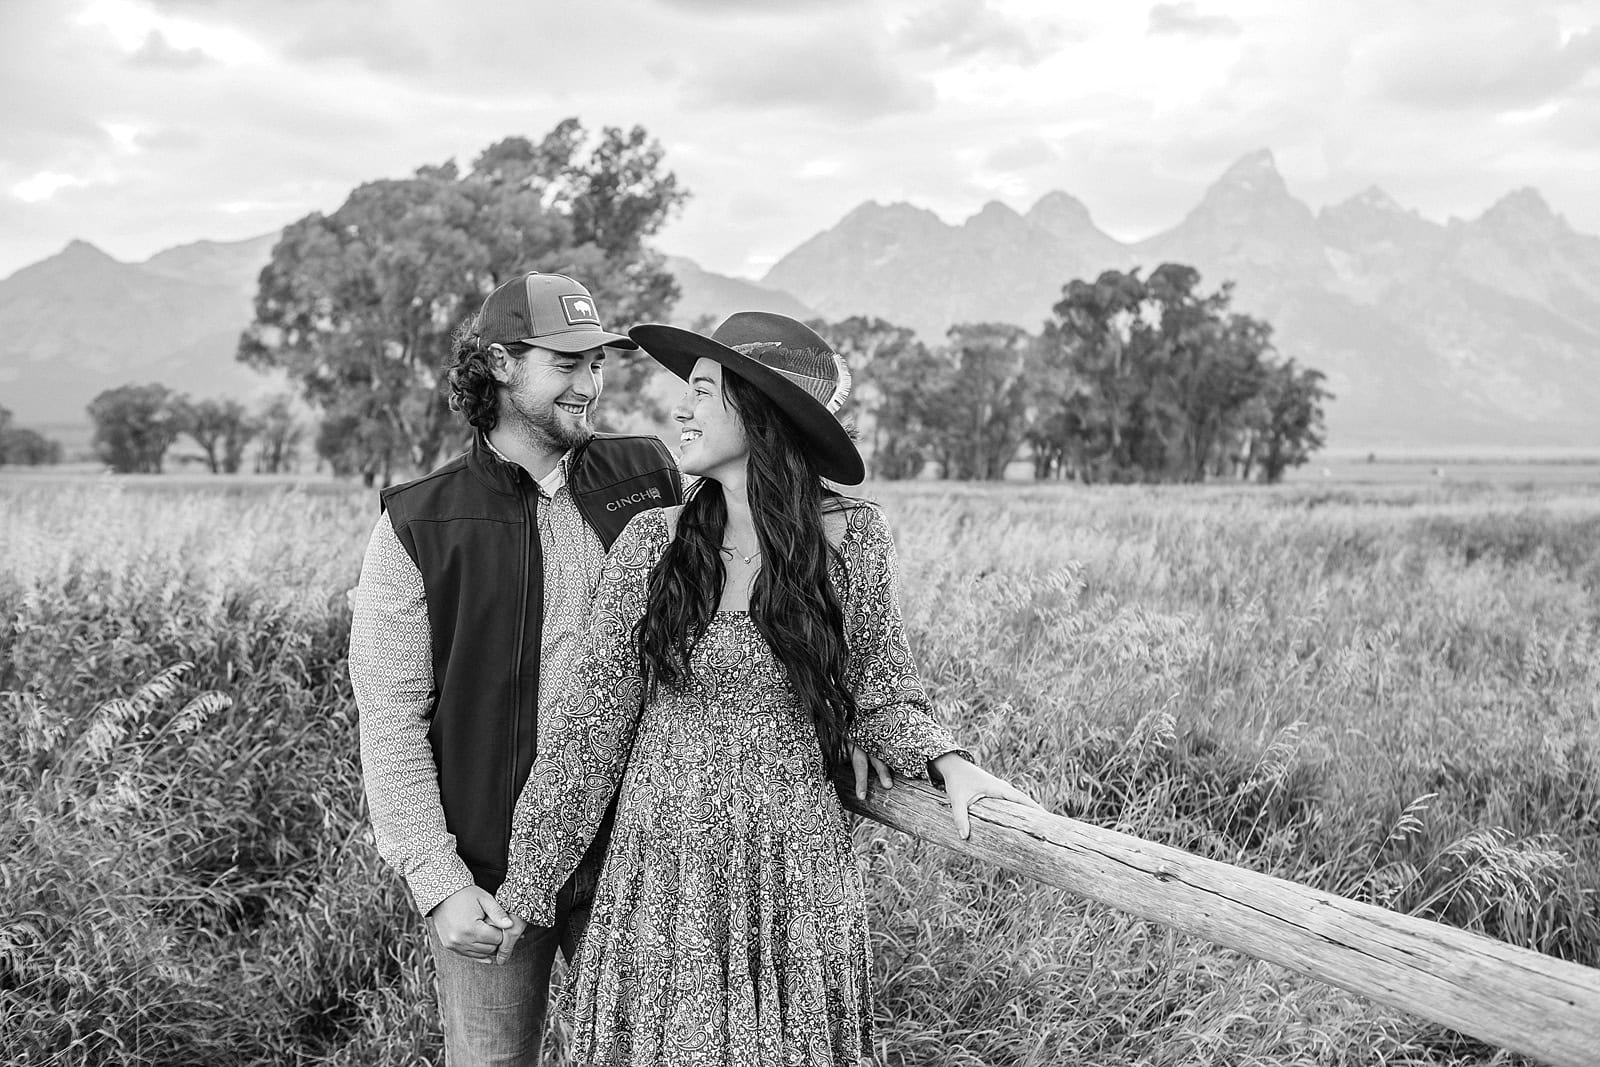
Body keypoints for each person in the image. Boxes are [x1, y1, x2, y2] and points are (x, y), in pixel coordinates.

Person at [493, 312, 1037, 1065]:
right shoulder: (654, 543)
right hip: (665, 876)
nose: (682, 408)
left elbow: (880, 690)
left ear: (762, 412)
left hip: (792, 873)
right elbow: (589, 731)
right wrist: (529, 882)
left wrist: (952, 763)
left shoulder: (853, 537)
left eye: (706, 392)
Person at [348, 272, 683, 1064]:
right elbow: (390, 720)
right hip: (488, 871)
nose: (589, 384)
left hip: (633, 857)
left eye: (597, 363)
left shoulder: (650, 477)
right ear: (500, 364)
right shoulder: (418, 523)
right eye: (566, 364)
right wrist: (439, 881)